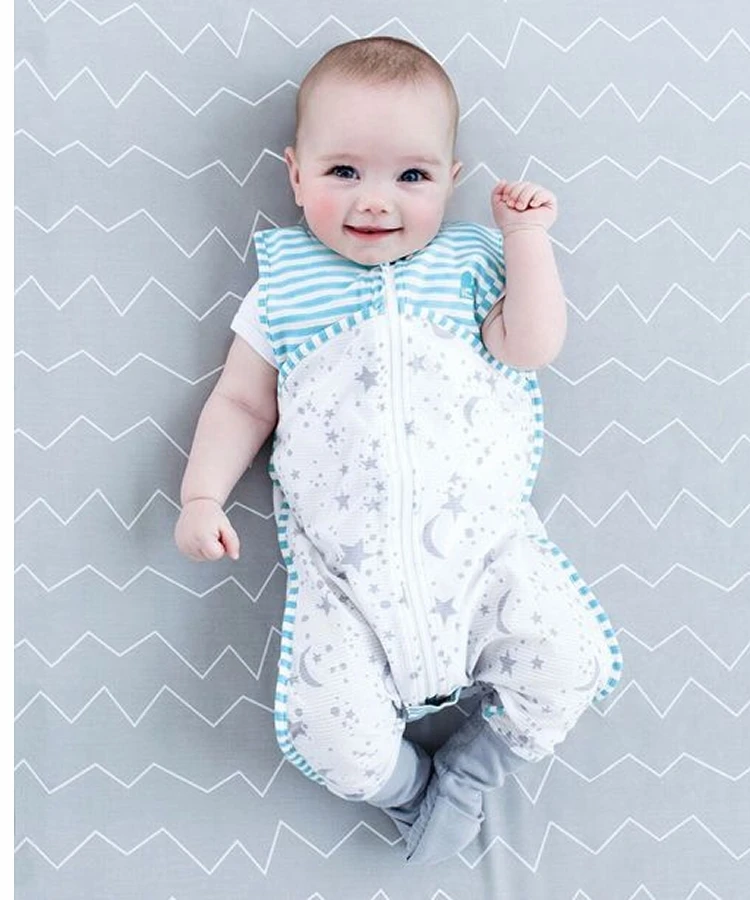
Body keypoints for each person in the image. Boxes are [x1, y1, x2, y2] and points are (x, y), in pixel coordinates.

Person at [174, 36, 623, 865]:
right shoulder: (284, 287)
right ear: (295, 175)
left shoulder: (471, 264)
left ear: (451, 181)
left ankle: (475, 767)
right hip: (347, 579)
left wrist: (526, 239)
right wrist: (201, 495)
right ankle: (415, 788)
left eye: (411, 176)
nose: (375, 200)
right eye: (343, 171)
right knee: (325, 733)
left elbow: (529, 347)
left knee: (569, 662)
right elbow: (241, 401)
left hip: (484, 553)